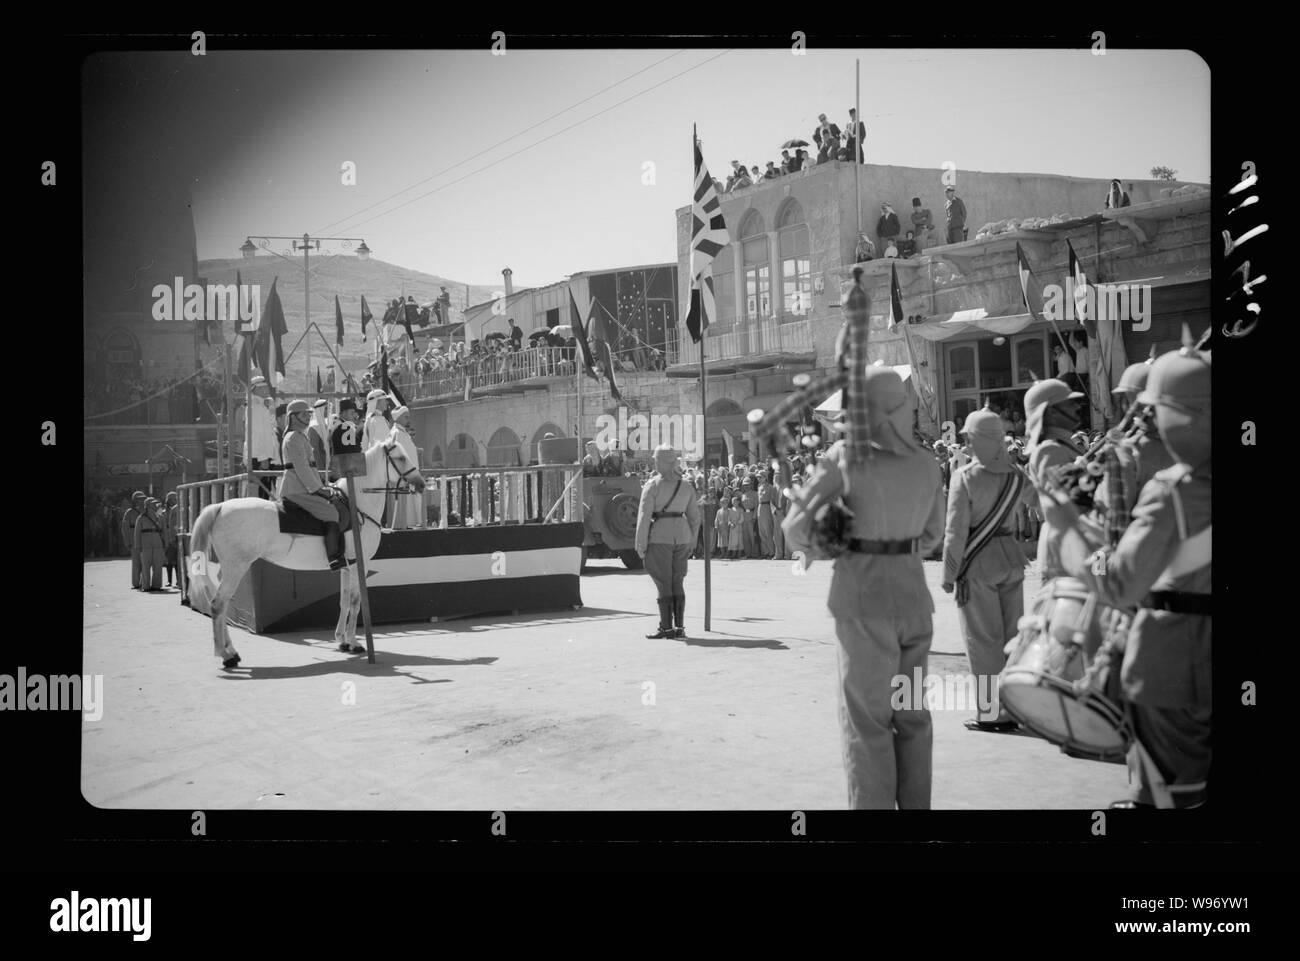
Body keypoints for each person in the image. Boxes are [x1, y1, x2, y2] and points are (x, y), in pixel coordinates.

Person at [1037, 336, 1210, 808]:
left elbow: (1118, 576)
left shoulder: (1168, 487)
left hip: (1170, 655)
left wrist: (1071, 531)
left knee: (1163, 789)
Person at [783, 366, 946, 809]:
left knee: (867, 721)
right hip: (914, 601)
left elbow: (796, 529)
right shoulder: (926, 462)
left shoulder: (843, 457)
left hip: (862, 602)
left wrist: (829, 540)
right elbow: (933, 537)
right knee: (912, 717)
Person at [941, 408, 1032, 731]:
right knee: (1011, 640)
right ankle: (1015, 707)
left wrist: (949, 575)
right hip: (1012, 559)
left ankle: (992, 712)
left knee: (983, 641)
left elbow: (955, 533)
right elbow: (1041, 500)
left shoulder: (964, 478)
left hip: (978, 566)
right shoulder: (1017, 476)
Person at [634, 444, 701, 639]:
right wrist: (692, 541)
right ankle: (680, 627)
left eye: (656, 459)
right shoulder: (687, 485)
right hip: (682, 536)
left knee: (663, 582)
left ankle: (666, 627)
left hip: (660, 536)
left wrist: (640, 544)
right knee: (677, 580)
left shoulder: (653, 485)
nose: (654, 462)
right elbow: (695, 518)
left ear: (663, 462)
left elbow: (644, 517)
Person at [1023, 378, 1085, 580]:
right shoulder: (1051, 450)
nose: (1077, 407)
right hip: (1067, 552)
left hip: (1082, 543)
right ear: (1050, 412)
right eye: (1068, 403)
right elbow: (1060, 505)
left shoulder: (1064, 446)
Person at [279, 399, 348, 571]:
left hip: (305, 485)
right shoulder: (293, 437)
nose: (308, 417)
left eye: (309, 414)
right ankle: (333, 557)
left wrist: (323, 486)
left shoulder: (300, 436)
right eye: (304, 414)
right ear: (293, 417)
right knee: (331, 512)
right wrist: (318, 489)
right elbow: (302, 468)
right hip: (296, 489)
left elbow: (310, 468)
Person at [390, 405, 423, 529]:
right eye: (406, 417)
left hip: (411, 474)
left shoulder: (403, 433)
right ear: (398, 418)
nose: (409, 419)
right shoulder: (397, 433)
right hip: (405, 476)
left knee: (414, 502)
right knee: (407, 505)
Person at [246, 376, 279, 497]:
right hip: (259, 456)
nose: (267, 390)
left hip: (263, 455)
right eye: (264, 387)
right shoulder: (256, 407)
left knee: (265, 492)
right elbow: (258, 433)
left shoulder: (262, 406)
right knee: (261, 493)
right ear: (256, 389)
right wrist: (263, 458)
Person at [134, 497, 166, 592]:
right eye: (153, 504)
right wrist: (137, 546)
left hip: (158, 545)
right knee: (145, 567)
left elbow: (165, 532)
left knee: (158, 567)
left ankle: (156, 585)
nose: (156, 506)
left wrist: (166, 544)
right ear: (147, 506)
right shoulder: (141, 518)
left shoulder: (161, 517)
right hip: (145, 546)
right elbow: (137, 533)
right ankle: (146, 586)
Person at [122, 491, 146, 589]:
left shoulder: (146, 511)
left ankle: (145, 582)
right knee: (136, 563)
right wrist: (127, 542)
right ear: (134, 500)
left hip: (145, 539)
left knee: (145, 562)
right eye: (139, 499)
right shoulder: (129, 512)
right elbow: (124, 528)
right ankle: (136, 583)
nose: (141, 500)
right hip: (134, 540)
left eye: (143, 498)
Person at [756, 469, 776, 559]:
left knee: (768, 530)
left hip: (767, 507)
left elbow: (773, 499)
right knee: (762, 532)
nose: (758, 479)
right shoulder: (759, 487)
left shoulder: (770, 487)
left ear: (765, 477)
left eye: (760, 477)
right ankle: (765, 551)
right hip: (760, 507)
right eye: (758, 477)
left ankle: (771, 551)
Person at [162, 491, 179, 588]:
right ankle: (169, 581)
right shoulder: (162, 512)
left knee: (177, 561)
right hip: (167, 537)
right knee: (168, 561)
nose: (173, 501)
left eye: (175, 499)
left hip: (175, 536)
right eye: (171, 499)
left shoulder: (179, 510)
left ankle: (178, 580)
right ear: (167, 500)